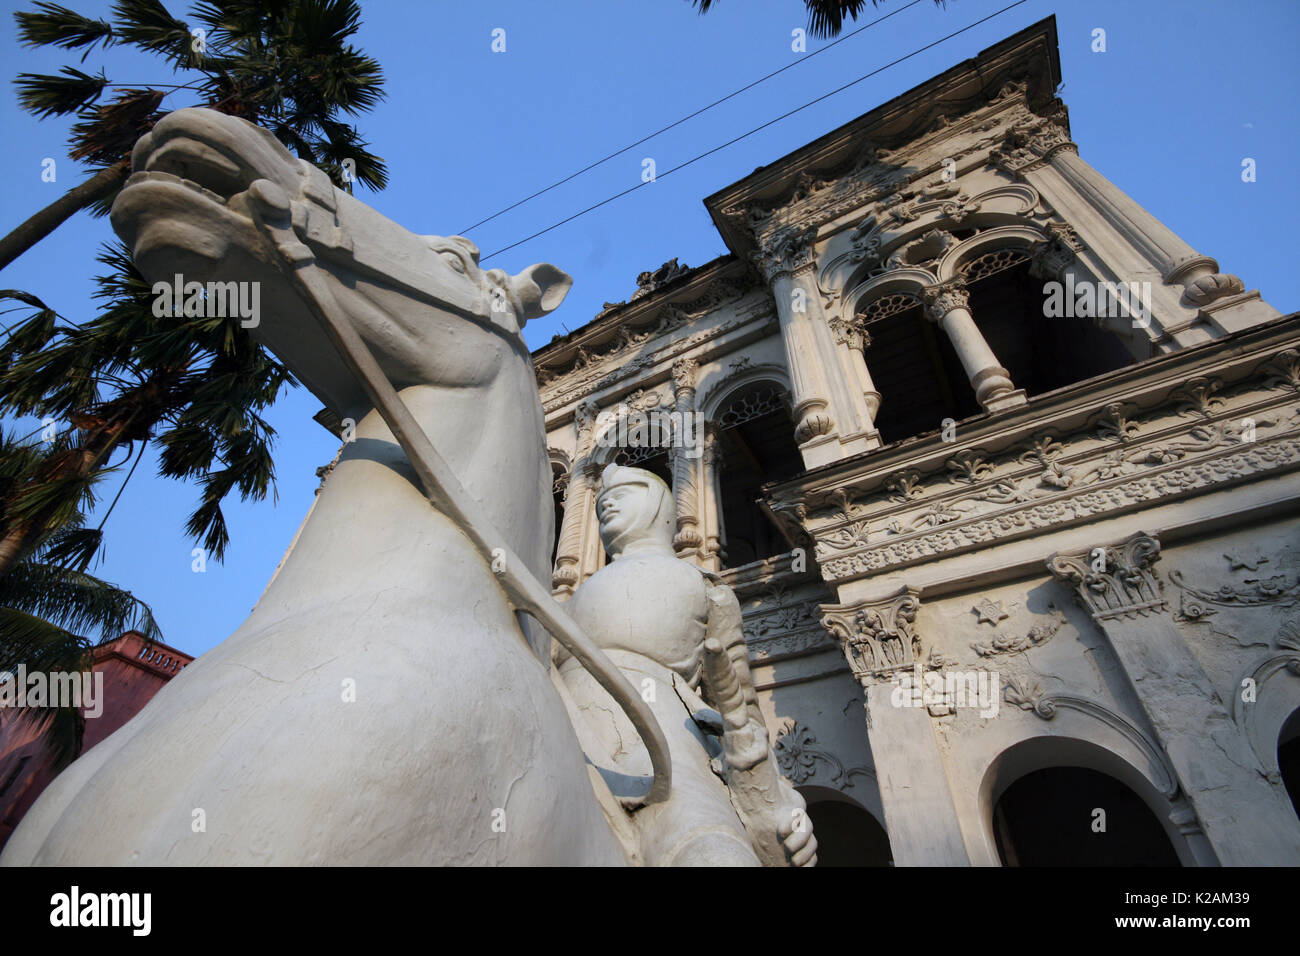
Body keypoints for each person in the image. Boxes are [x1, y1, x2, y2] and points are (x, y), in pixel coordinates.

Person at [557, 464, 817, 866]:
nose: (606, 505)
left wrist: (772, 803)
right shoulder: (570, 599)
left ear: (657, 507)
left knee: (708, 849)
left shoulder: (704, 586)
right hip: (561, 714)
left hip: (660, 734)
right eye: (602, 502)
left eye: (622, 496)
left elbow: (740, 705)